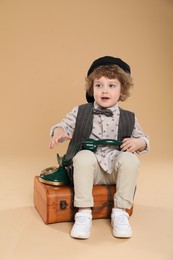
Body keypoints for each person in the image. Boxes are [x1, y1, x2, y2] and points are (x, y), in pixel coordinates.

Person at [49, 56, 149, 239]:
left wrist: (138, 143)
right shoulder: (81, 111)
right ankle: (84, 213)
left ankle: (120, 212)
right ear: (91, 88)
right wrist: (58, 131)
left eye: (112, 85)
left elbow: (144, 139)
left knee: (130, 159)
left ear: (122, 90)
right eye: (99, 85)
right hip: (89, 171)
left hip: (115, 171)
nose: (105, 90)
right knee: (84, 156)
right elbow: (63, 125)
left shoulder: (129, 117)